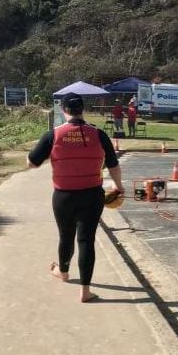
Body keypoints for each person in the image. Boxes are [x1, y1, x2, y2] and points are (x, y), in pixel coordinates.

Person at [27, 93, 125, 303]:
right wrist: (118, 186)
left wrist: (45, 155)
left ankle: (63, 272)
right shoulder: (99, 134)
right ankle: (85, 291)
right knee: (86, 240)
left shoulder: (53, 135)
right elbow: (113, 165)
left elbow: (32, 163)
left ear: (63, 110)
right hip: (92, 195)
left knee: (66, 235)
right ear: (83, 110)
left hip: (63, 196)